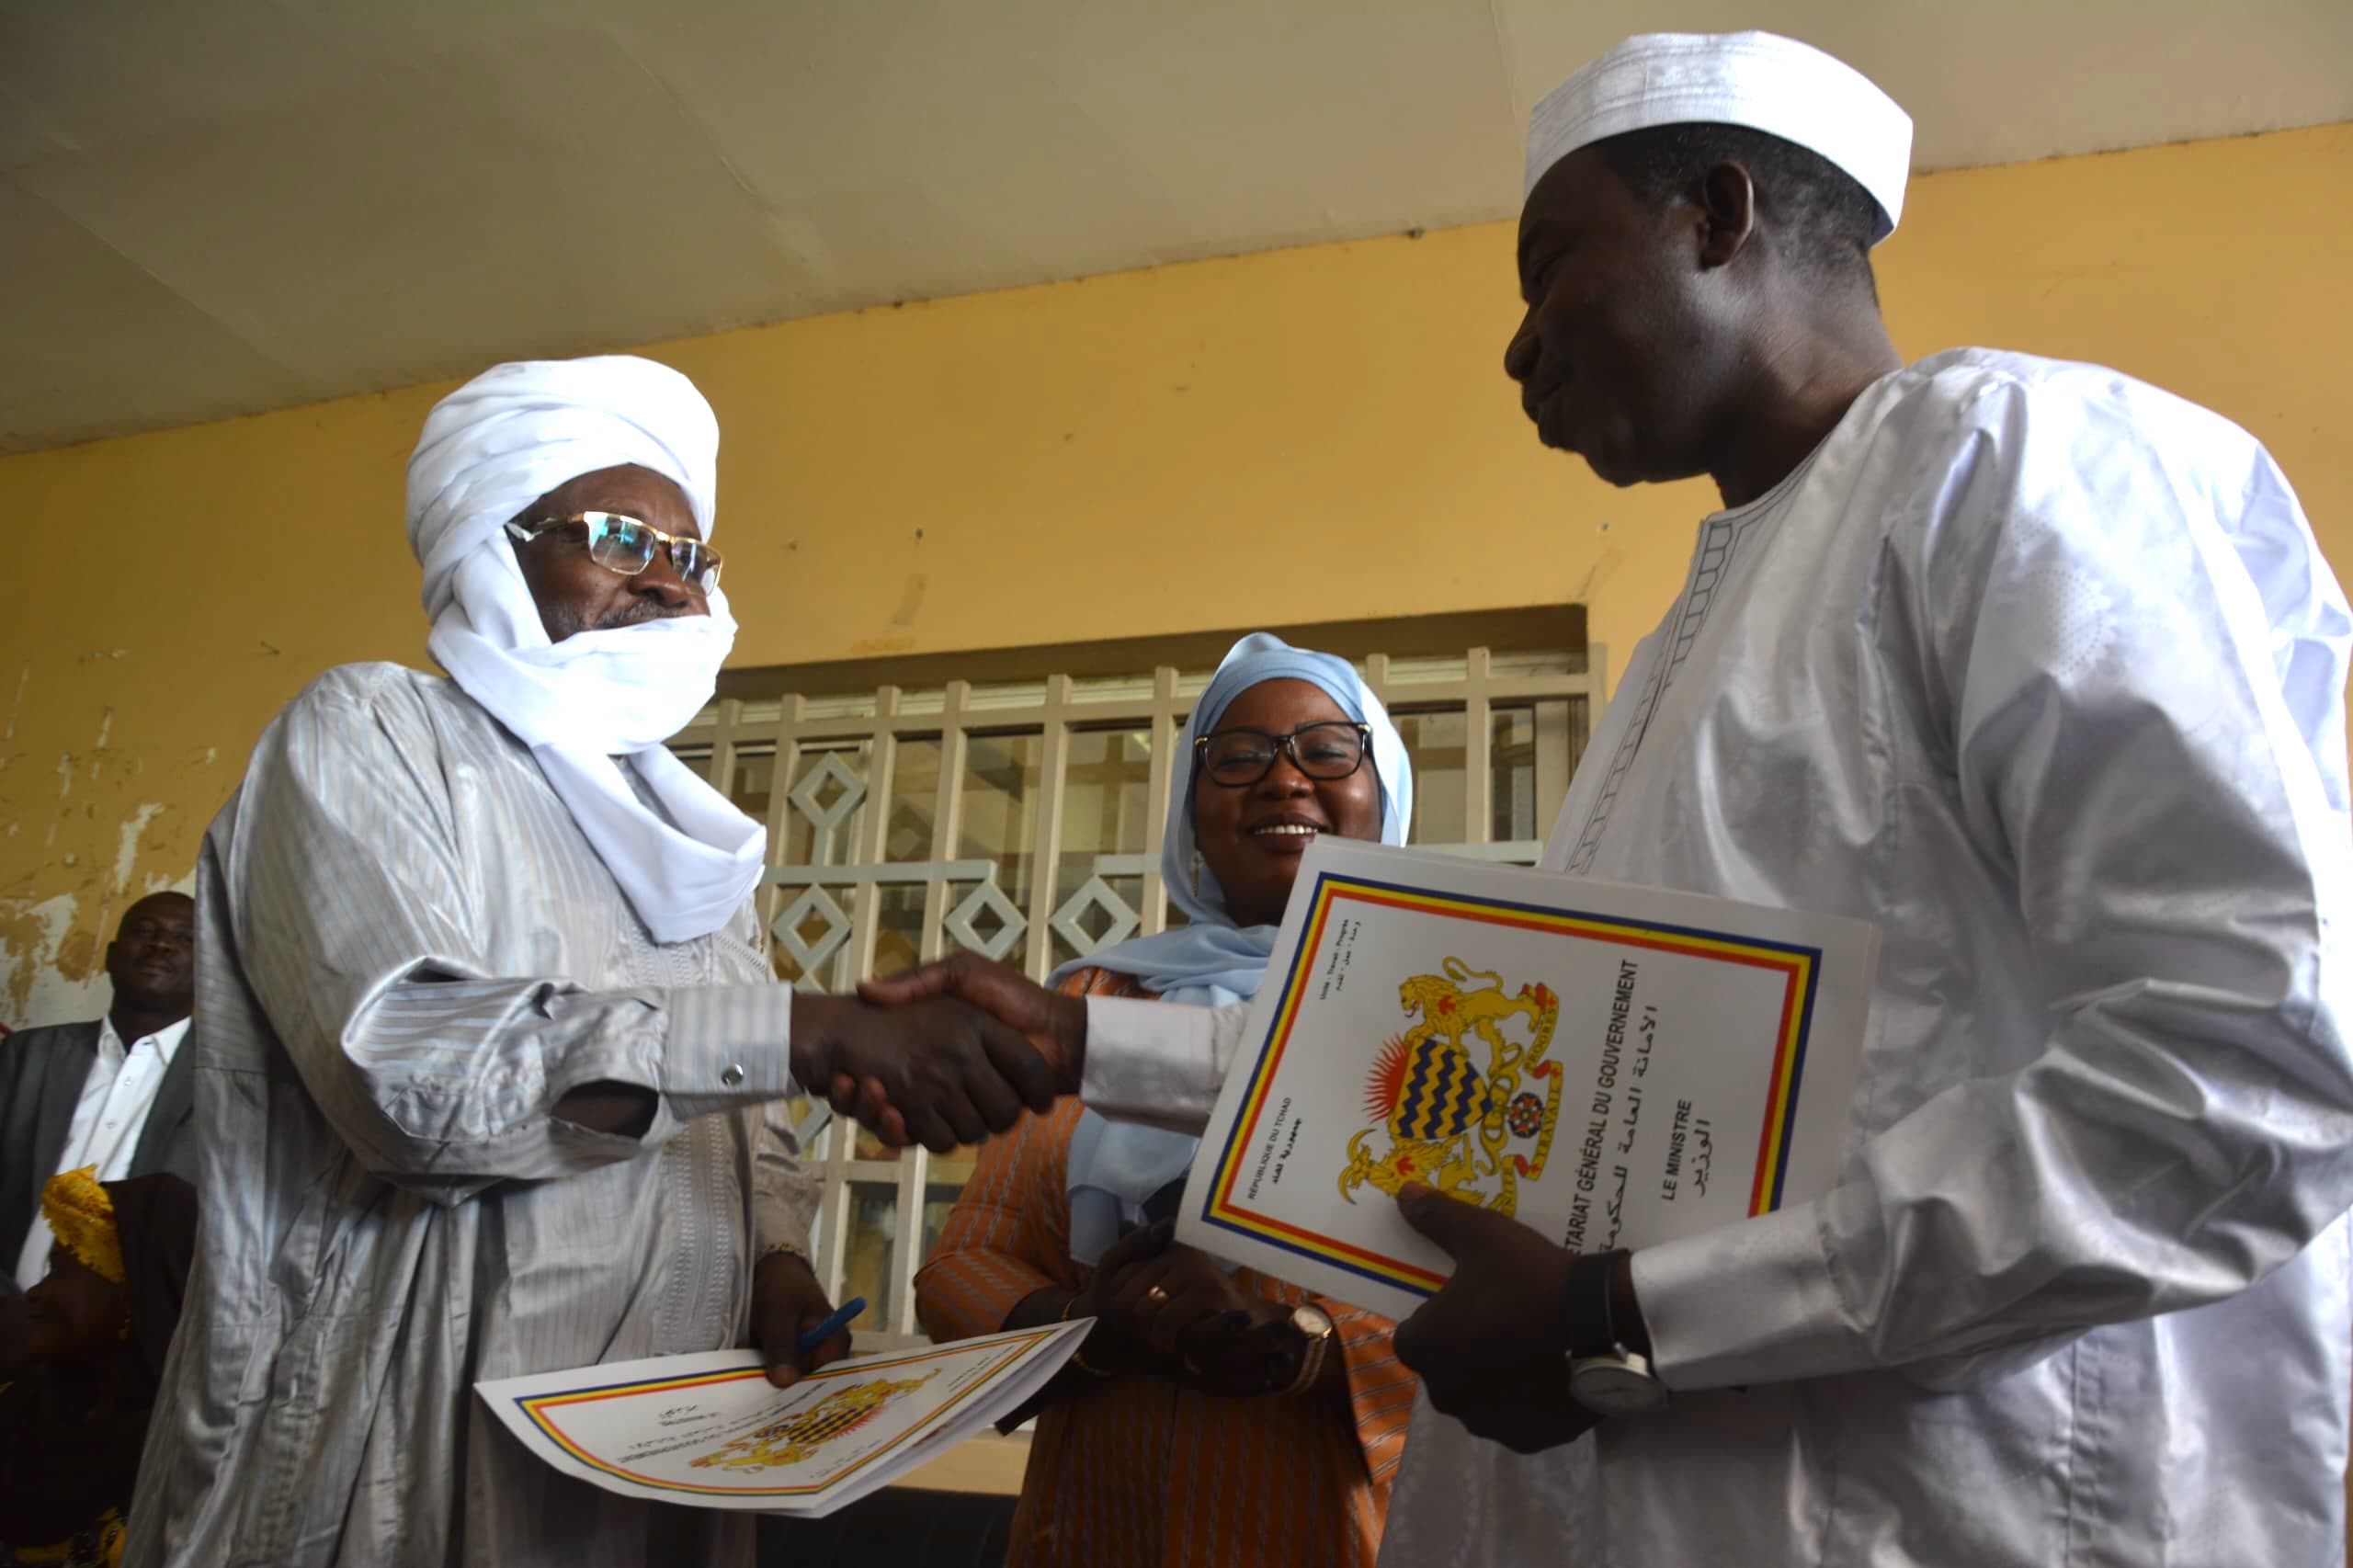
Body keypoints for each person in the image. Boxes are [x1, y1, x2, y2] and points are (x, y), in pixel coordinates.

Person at [860, 30, 2353, 1568]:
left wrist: (1620, 1311)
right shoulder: (1677, 660)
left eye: (1546, 265)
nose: (1517, 349)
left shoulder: (2018, 464)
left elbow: (2244, 1072)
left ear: (1714, 213)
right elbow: (1493, 1092)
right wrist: (1085, 1040)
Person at [125, 356, 1058, 1568]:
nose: (671, 579)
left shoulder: (688, 845)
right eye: (621, 537)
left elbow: (745, 1125)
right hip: (404, 1459)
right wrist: (805, 1028)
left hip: (661, 1464)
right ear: (489, 543)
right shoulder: (373, 731)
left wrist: (774, 1258)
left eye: (693, 552)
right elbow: (406, 1073)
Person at [915, 634, 1419, 1567]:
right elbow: (964, 1261)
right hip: (1098, 1526)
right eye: (1238, 756)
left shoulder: (1445, 1004)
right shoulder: (1102, 1004)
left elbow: (1504, 1292)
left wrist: (1308, 1349)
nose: (1282, 780)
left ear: (1382, 793)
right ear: (1191, 815)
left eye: (1325, 749)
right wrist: (1103, 1332)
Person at [1, 893, 199, 1300]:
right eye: (143, 931)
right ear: (110, 956)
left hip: (129, 1351)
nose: (160, 944)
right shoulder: (29, 1055)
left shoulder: (231, 1087)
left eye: (185, 938)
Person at [0, 1168, 199, 1568]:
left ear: (132, 1299)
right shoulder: (19, 1404)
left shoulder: (175, 1473)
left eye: (61, 1272)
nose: (37, 1293)